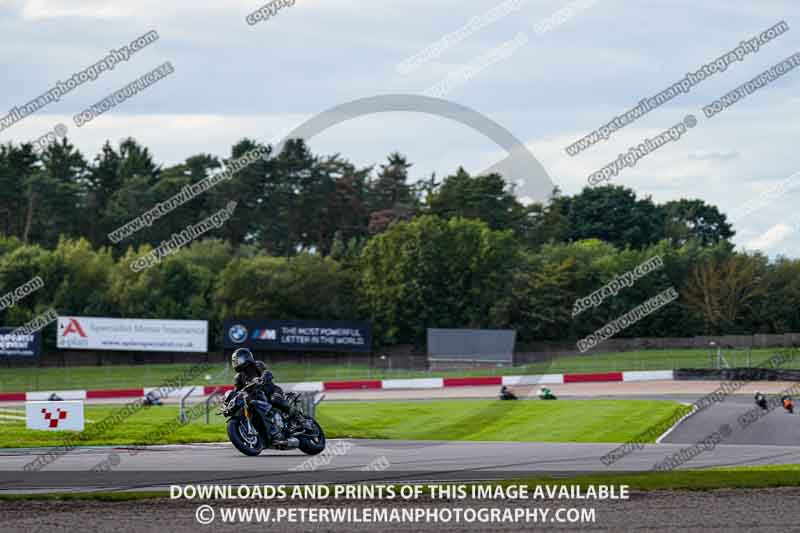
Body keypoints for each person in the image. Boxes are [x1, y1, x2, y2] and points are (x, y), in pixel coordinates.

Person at [231, 348, 302, 444]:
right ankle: (266, 433)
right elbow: (236, 391)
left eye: (238, 360)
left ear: (246, 358)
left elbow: (266, 372)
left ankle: (297, 417)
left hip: (271, 391)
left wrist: (263, 378)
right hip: (256, 398)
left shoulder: (256, 365)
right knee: (251, 410)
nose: (236, 363)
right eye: (235, 361)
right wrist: (228, 400)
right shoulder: (238, 377)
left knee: (275, 399)